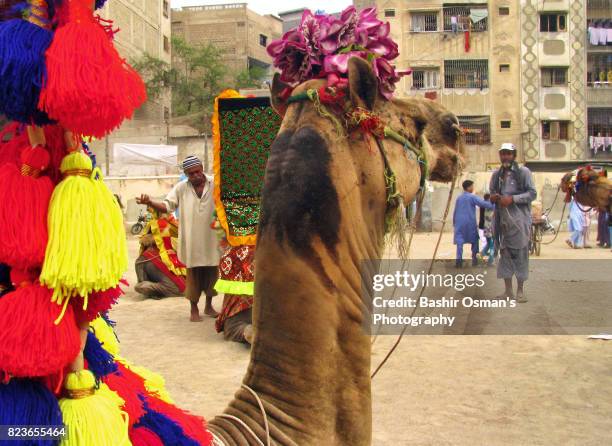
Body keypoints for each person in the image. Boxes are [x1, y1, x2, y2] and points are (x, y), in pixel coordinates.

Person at [137, 155, 220, 321]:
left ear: (202, 168)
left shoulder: (215, 183)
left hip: (212, 239)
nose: (195, 176)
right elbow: (167, 206)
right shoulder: (181, 188)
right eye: (191, 173)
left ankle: (209, 306)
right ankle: (194, 310)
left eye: (197, 171)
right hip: (191, 240)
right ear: (186, 174)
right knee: (193, 276)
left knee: (212, 274)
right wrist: (150, 202)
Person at [489, 143, 536, 303]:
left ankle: (520, 291)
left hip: (519, 221)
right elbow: (491, 193)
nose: (505, 157)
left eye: (508, 154)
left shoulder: (523, 172)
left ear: (514, 155)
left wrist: (513, 199)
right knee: (505, 255)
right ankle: (508, 291)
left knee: (520, 255)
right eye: (503, 154)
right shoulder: (497, 175)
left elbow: (532, 193)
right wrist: (493, 197)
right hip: (503, 222)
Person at [134, 210, 186, 299]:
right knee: (180, 289)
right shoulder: (171, 222)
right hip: (159, 258)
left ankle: (148, 287)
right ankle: (151, 288)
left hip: (145, 259)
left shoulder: (153, 222)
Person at [453, 180, 494, 267]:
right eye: (472, 186)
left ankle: (458, 262)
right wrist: (494, 205)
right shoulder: (472, 197)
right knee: (474, 241)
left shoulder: (459, 198)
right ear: (468, 188)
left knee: (460, 243)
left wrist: (454, 222)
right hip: (470, 222)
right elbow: (483, 204)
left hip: (459, 223)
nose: (473, 188)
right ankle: (475, 261)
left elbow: (455, 211)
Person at [478, 193, 495, 266]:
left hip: (485, 226)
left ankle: (480, 255)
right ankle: (490, 260)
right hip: (489, 227)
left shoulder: (483, 204)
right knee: (491, 244)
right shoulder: (490, 205)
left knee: (489, 243)